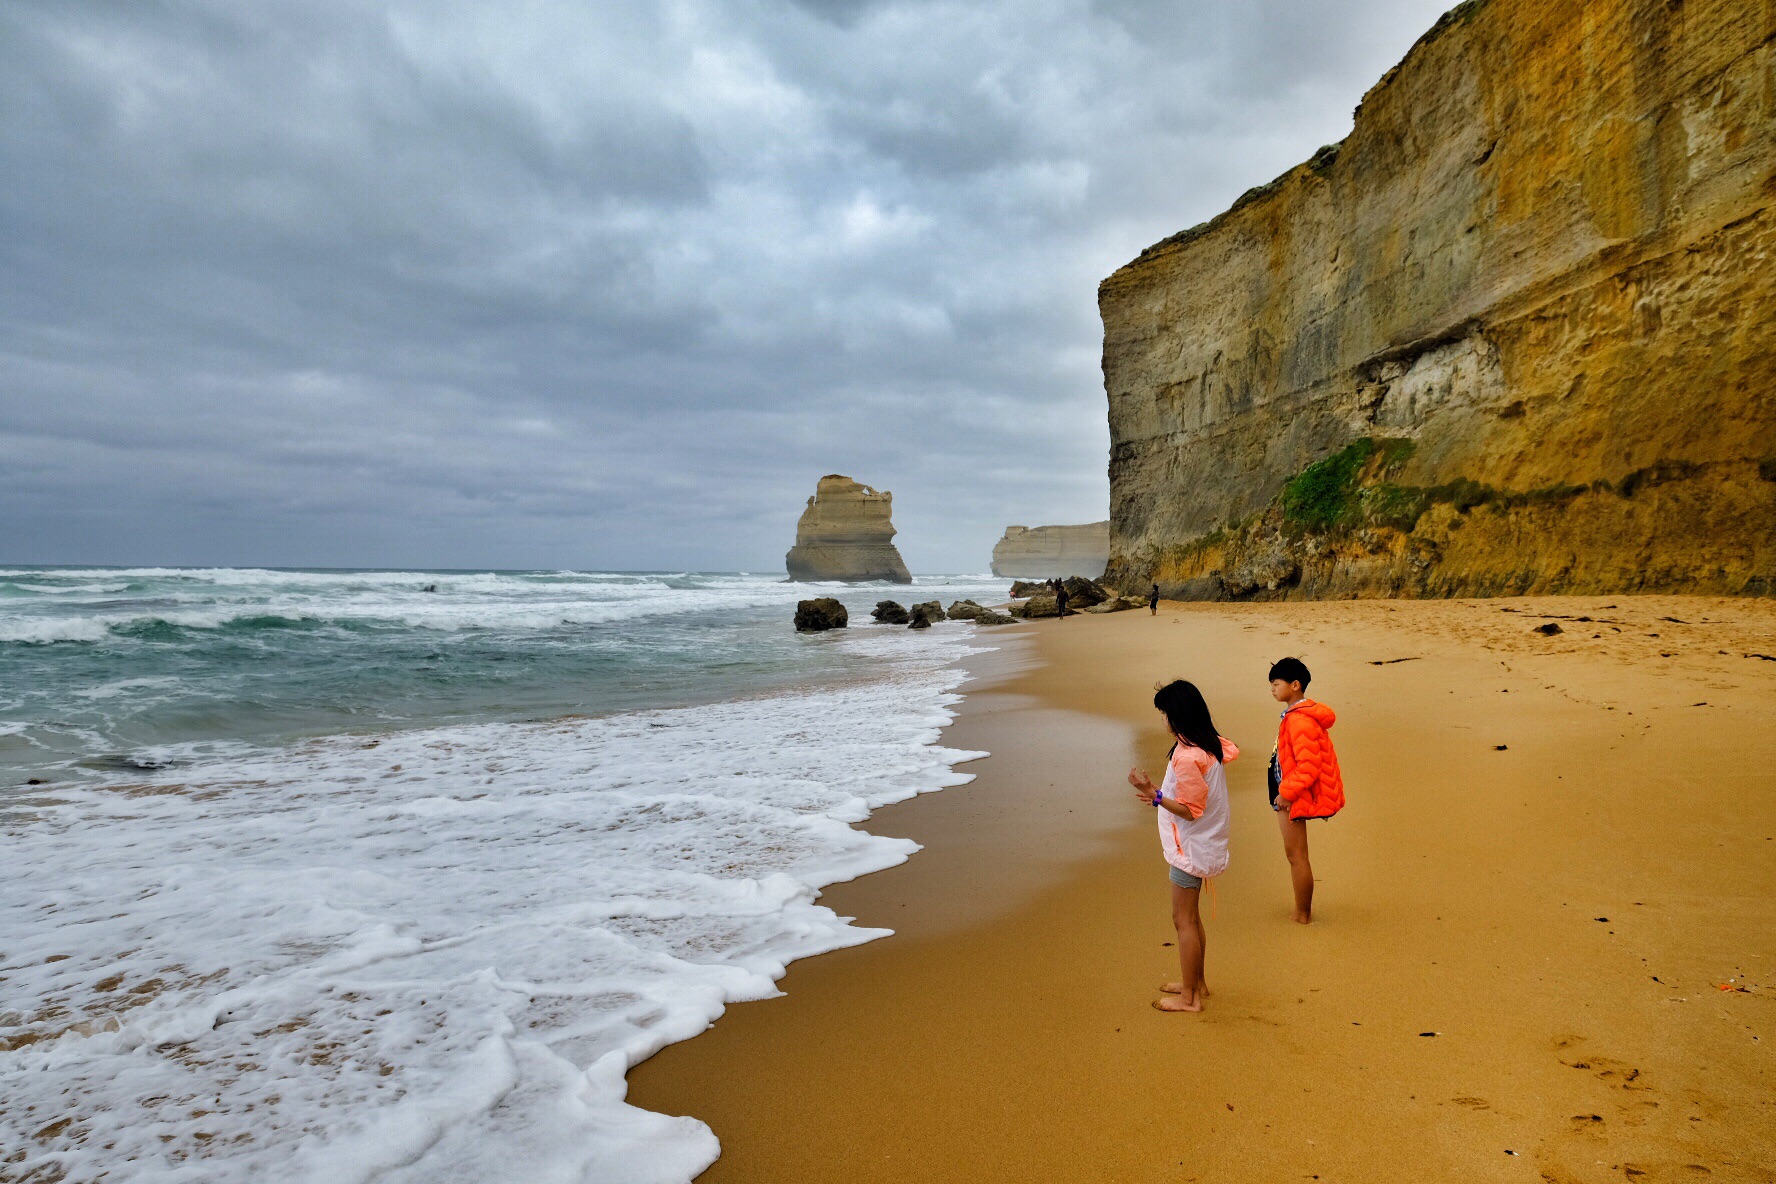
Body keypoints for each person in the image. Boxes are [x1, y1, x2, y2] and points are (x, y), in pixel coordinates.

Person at [1128, 680, 1238, 1012]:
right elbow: (1193, 797)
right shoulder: (1205, 744)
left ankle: (1189, 999)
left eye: (1164, 713)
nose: (1162, 719)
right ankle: (1196, 983)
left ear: (1177, 716)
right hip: (1200, 843)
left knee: (1183, 920)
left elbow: (1191, 811)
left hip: (1190, 848)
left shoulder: (1189, 756)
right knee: (1191, 918)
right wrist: (1160, 797)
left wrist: (1155, 794)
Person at [1267, 657, 1344, 924]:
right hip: (1288, 792)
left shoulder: (1299, 720)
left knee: (1296, 856)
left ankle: (1303, 914)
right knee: (1296, 855)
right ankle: (1302, 910)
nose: (1272, 689)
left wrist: (1286, 792)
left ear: (1295, 685)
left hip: (1291, 795)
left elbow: (1309, 766)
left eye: (1277, 684)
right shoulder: (1296, 716)